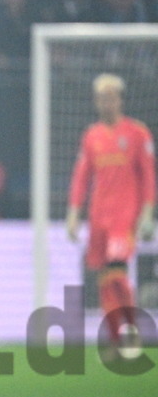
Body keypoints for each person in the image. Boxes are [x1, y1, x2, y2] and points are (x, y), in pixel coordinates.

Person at [66, 73, 155, 361]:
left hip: (124, 217)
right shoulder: (91, 136)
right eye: (102, 98)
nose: (107, 102)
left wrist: (147, 212)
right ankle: (117, 338)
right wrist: (73, 212)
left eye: (111, 97)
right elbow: (82, 177)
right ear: (96, 101)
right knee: (104, 279)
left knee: (116, 271)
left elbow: (148, 176)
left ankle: (131, 330)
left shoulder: (137, 133)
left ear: (120, 99)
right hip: (98, 218)